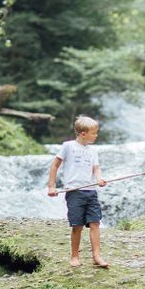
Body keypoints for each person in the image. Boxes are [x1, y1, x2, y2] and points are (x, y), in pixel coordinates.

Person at [46, 115, 109, 268]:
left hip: (91, 191)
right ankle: (74, 256)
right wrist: (51, 186)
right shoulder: (68, 146)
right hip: (74, 192)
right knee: (77, 225)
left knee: (95, 223)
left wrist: (99, 179)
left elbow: (96, 168)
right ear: (83, 134)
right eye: (94, 133)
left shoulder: (93, 151)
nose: (96, 135)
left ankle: (96, 256)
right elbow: (55, 165)